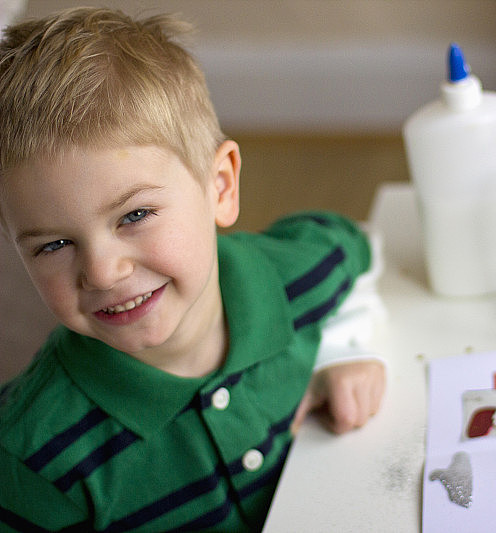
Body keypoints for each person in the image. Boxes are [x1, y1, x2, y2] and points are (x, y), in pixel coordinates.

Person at [0, 7, 386, 531]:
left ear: (221, 187)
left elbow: (360, 246)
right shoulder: (28, 458)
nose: (104, 272)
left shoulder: (298, 270)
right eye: (54, 244)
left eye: (135, 215)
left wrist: (347, 349)